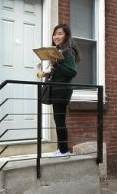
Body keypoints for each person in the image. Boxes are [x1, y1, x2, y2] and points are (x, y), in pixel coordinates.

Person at [46, 24, 81, 157]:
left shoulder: (68, 51)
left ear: (66, 35)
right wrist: (49, 73)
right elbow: (61, 70)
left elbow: (72, 72)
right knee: (58, 119)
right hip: (57, 88)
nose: (56, 36)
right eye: (55, 34)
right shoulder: (58, 51)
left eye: (60, 33)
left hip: (63, 90)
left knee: (60, 120)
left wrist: (56, 65)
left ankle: (64, 151)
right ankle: (61, 148)